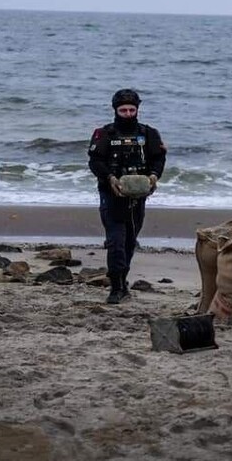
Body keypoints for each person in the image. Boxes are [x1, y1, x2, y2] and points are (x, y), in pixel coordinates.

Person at [88, 89, 167, 304]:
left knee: (130, 241)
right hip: (111, 194)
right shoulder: (104, 134)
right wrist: (110, 178)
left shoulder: (149, 133)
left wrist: (153, 175)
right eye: (123, 110)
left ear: (137, 109)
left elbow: (159, 158)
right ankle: (116, 287)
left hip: (137, 196)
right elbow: (94, 161)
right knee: (115, 241)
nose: (128, 114)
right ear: (116, 110)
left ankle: (122, 280)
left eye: (132, 110)